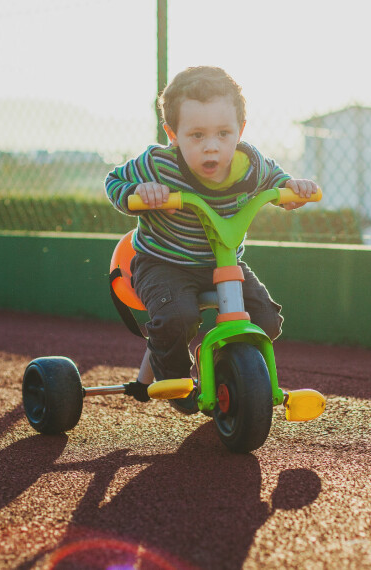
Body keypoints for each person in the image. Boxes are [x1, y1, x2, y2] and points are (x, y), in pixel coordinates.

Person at [105, 66, 318, 406]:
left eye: (223, 133)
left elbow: (277, 181)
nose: (211, 148)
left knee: (266, 319)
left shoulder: (250, 166)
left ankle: (220, 364)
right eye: (197, 136)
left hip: (224, 263)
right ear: (172, 134)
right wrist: (139, 192)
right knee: (177, 317)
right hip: (162, 263)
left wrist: (292, 190)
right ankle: (174, 379)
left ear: (240, 130)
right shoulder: (160, 165)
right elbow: (114, 182)